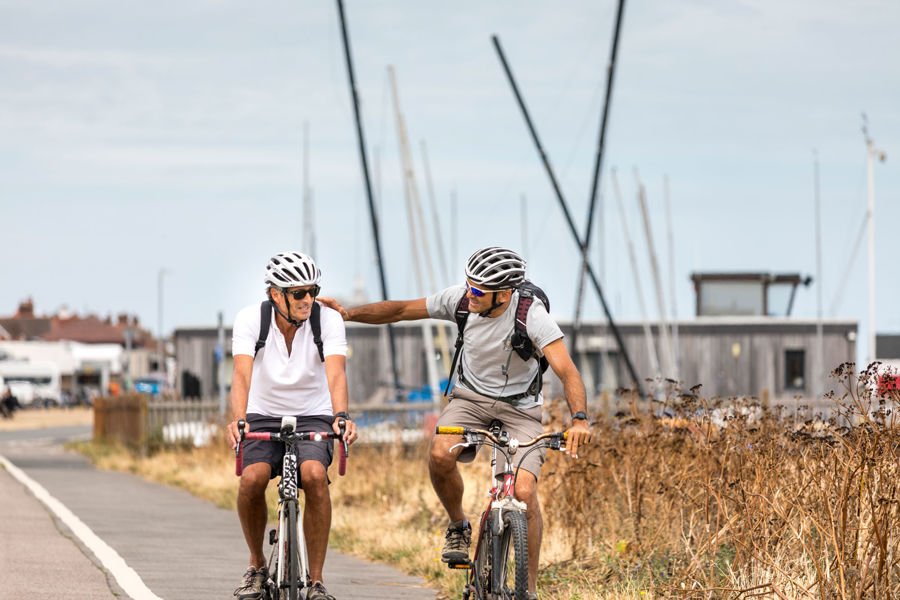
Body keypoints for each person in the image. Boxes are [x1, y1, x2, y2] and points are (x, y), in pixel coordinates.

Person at [320, 246, 592, 598]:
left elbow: (567, 370)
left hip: (520, 409)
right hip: (469, 400)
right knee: (439, 454)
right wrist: (347, 314)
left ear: (504, 295)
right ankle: (458, 525)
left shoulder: (531, 315)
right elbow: (402, 310)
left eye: (479, 290)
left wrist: (580, 419)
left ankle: (529, 589)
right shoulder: (462, 301)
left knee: (524, 492)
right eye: (468, 285)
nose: (470, 293)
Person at [226, 251, 358, 600]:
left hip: (313, 413)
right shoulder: (250, 319)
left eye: (312, 290)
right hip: (262, 413)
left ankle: (316, 581)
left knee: (314, 475)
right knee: (252, 479)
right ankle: (256, 565)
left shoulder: (327, 319)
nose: (308, 300)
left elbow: (336, 372)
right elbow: (241, 374)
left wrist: (341, 416)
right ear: (276, 294)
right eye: (298, 293)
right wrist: (238, 419)